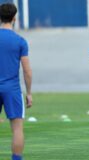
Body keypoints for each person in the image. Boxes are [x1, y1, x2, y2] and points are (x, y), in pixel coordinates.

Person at [0, 3, 32, 160]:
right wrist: (29, 93)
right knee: (17, 129)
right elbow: (27, 71)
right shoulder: (20, 41)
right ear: (14, 18)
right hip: (12, 89)